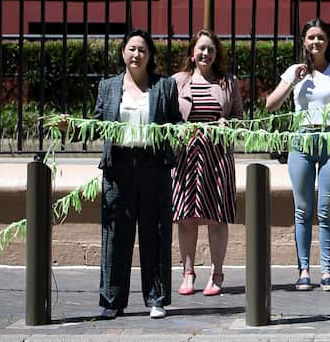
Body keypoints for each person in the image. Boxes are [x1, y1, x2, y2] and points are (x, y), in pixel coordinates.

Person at [94, 28, 182, 320]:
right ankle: (112, 300)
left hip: (153, 164)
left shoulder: (165, 86)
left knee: (154, 233)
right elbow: (97, 125)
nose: (136, 54)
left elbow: (175, 124)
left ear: (150, 56)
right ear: (123, 53)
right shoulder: (108, 87)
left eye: (142, 50)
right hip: (118, 165)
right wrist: (72, 126)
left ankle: (156, 298)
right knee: (115, 234)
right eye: (132, 49)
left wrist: (188, 131)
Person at [265, 17, 330, 293]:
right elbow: (270, 105)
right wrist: (293, 81)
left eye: (321, 37)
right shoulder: (295, 71)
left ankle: (327, 271)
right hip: (302, 140)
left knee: (326, 210)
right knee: (302, 210)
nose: (316, 42)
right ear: (304, 41)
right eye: (311, 37)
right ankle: (303, 270)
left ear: (328, 41)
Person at [172, 28, 243, 298]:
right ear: (192, 53)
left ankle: (217, 273)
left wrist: (229, 124)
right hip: (187, 156)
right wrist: (180, 128)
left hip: (217, 157)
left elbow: (239, 119)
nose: (205, 53)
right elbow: (167, 117)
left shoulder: (228, 82)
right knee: (186, 217)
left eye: (211, 49)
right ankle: (188, 273)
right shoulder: (178, 81)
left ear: (216, 54)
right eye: (201, 48)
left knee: (216, 217)